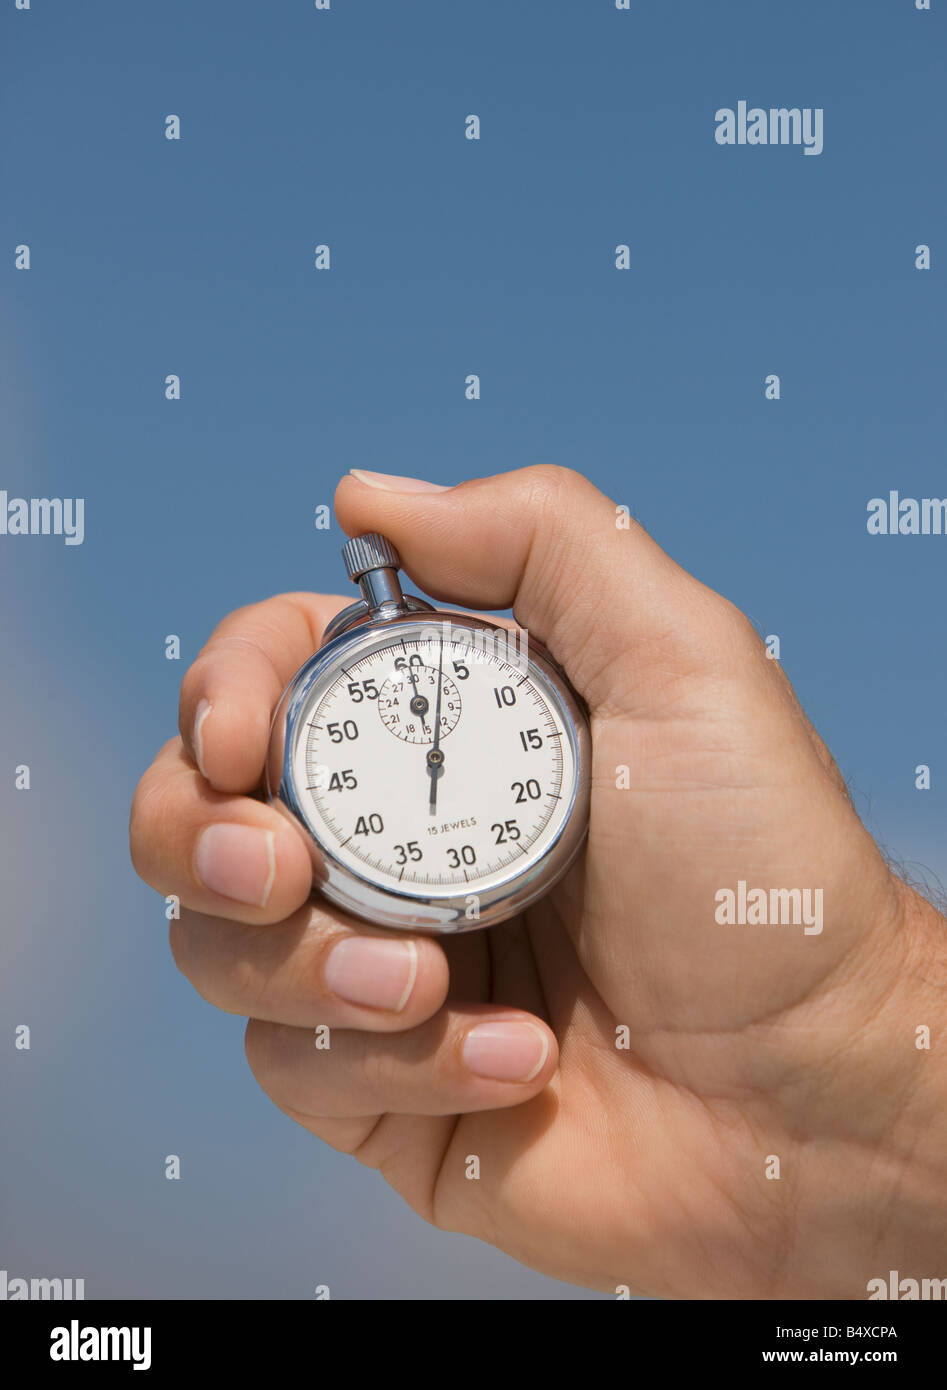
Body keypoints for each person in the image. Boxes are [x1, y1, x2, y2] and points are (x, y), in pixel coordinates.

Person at [129, 466, 947, 1298]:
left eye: (441, 742)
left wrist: (868, 1035)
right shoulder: (332, 706)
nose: (433, 752)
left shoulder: (521, 682)